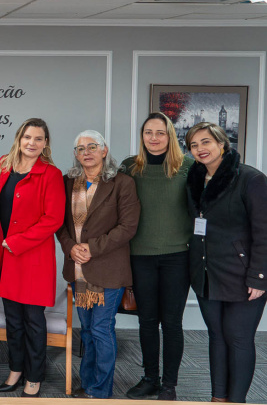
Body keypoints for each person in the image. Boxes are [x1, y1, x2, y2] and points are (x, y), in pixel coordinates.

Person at [185, 122, 267, 403]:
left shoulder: (251, 179)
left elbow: (264, 232)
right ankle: (218, 398)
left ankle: (237, 400)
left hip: (242, 275)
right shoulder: (195, 178)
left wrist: (259, 277)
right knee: (217, 337)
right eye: (194, 144)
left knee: (239, 338)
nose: (200, 149)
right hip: (206, 273)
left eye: (206, 142)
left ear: (222, 143)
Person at [57, 130, 139, 399]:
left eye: (92, 147)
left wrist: (90, 248)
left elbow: (128, 227)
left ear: (104, 151)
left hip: (108, 269)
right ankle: (88, 383)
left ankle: (100, 390)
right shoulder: (67, 182)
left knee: (101, 329)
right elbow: (59, 223)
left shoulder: (122, 183)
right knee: (88, 331)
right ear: (76, 154)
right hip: (78, 270)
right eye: (81, 149)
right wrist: (71, 247)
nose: (87, 152)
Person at [0, 117, 64, 398]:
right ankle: (15, 369)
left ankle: (34, 376)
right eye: (27, 137)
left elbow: (53, 219)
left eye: (38, 139)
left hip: (32, 258)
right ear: (19, 139)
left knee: (33, 320)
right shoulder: (3, 164)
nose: (32, 143)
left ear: (45, 143)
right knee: (13, 320)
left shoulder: (51, 174)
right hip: (4, 256)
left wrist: (17, 241)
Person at [121, 112, 194, 400]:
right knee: (148, 321)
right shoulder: (130, 167)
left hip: (178, 256)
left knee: (172, 323)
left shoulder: (188, 167)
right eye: (148, 132)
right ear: (142, 136)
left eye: (160, 132)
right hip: (140, 256)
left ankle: (169, 385)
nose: (154, 138)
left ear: (170, 135)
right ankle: (150, 378)